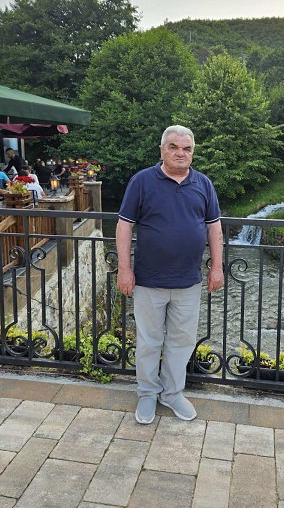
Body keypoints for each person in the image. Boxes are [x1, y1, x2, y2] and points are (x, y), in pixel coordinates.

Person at [116, 125, 224, 425]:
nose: (180, 153)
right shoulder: (142, 181)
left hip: (189, 281)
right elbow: (124, 226)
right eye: (174, 147)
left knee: (181, 341)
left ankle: (172, 393)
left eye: (186, 148)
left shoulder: (203, 184)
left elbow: (214, 227)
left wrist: (217, 267)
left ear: (193, 152)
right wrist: (124, 269)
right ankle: (147, 393)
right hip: (148, 280)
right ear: (162, 150)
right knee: (149, 341)